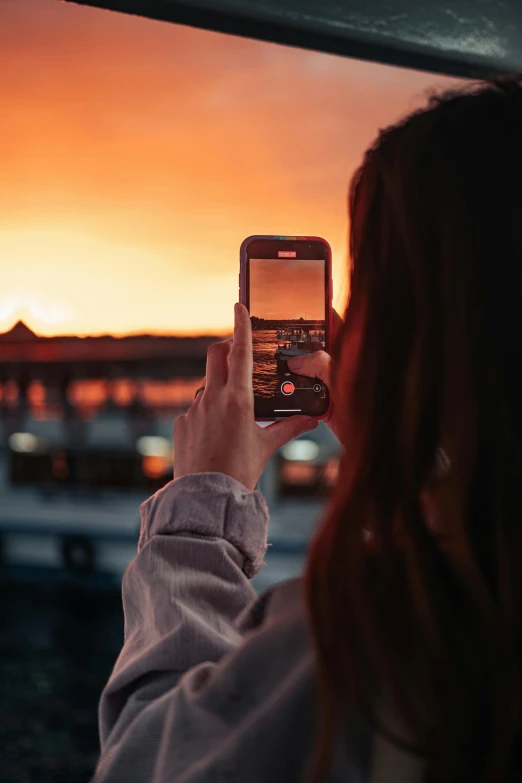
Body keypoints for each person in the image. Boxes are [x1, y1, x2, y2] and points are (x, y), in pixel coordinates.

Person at [92, 79, 522, 783]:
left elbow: (146, 756)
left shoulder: (382, 636)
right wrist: (405, 446)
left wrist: (202, 508)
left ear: (405, 331)